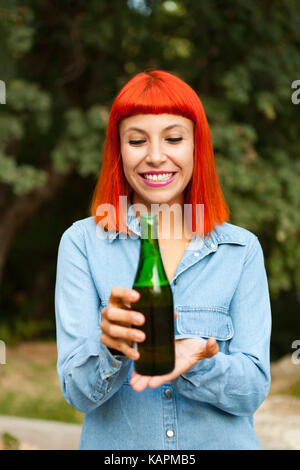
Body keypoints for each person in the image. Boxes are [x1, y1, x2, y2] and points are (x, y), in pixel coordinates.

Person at [55, 70, 272, 450]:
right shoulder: (81, 244)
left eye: (173, 138)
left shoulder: (241, 250)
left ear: (196, 147)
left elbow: (252, 390)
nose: (156, 156)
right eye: (137, 141)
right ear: (118, 150)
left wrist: (199, 361)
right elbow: (76, 392)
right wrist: (111, 348)